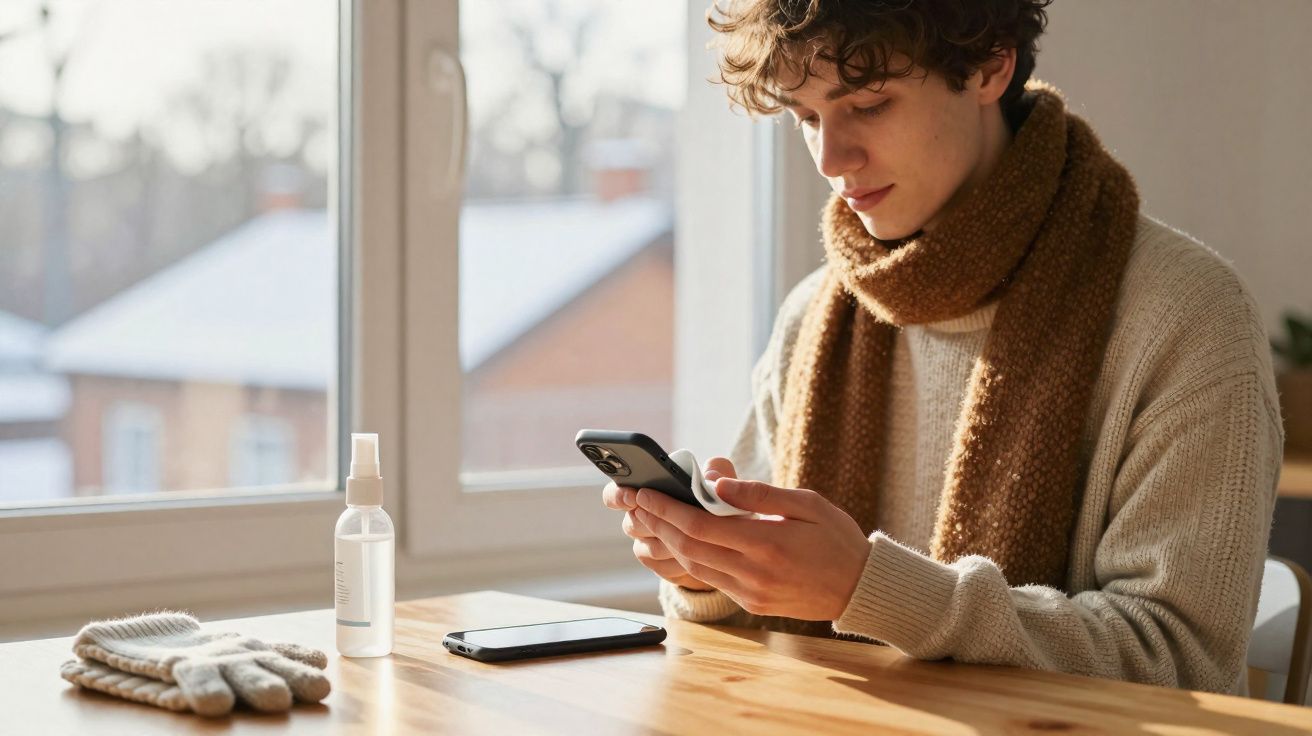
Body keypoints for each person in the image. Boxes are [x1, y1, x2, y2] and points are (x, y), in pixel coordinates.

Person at [601, 0, 1283, 696]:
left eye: (868, 103)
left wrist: (871, 590)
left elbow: (1184, 661)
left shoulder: (1188, 314)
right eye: (806, 118)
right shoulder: (814, 316)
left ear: (991, 64)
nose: (832, 159)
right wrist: (709, 572)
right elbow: (764, 645)